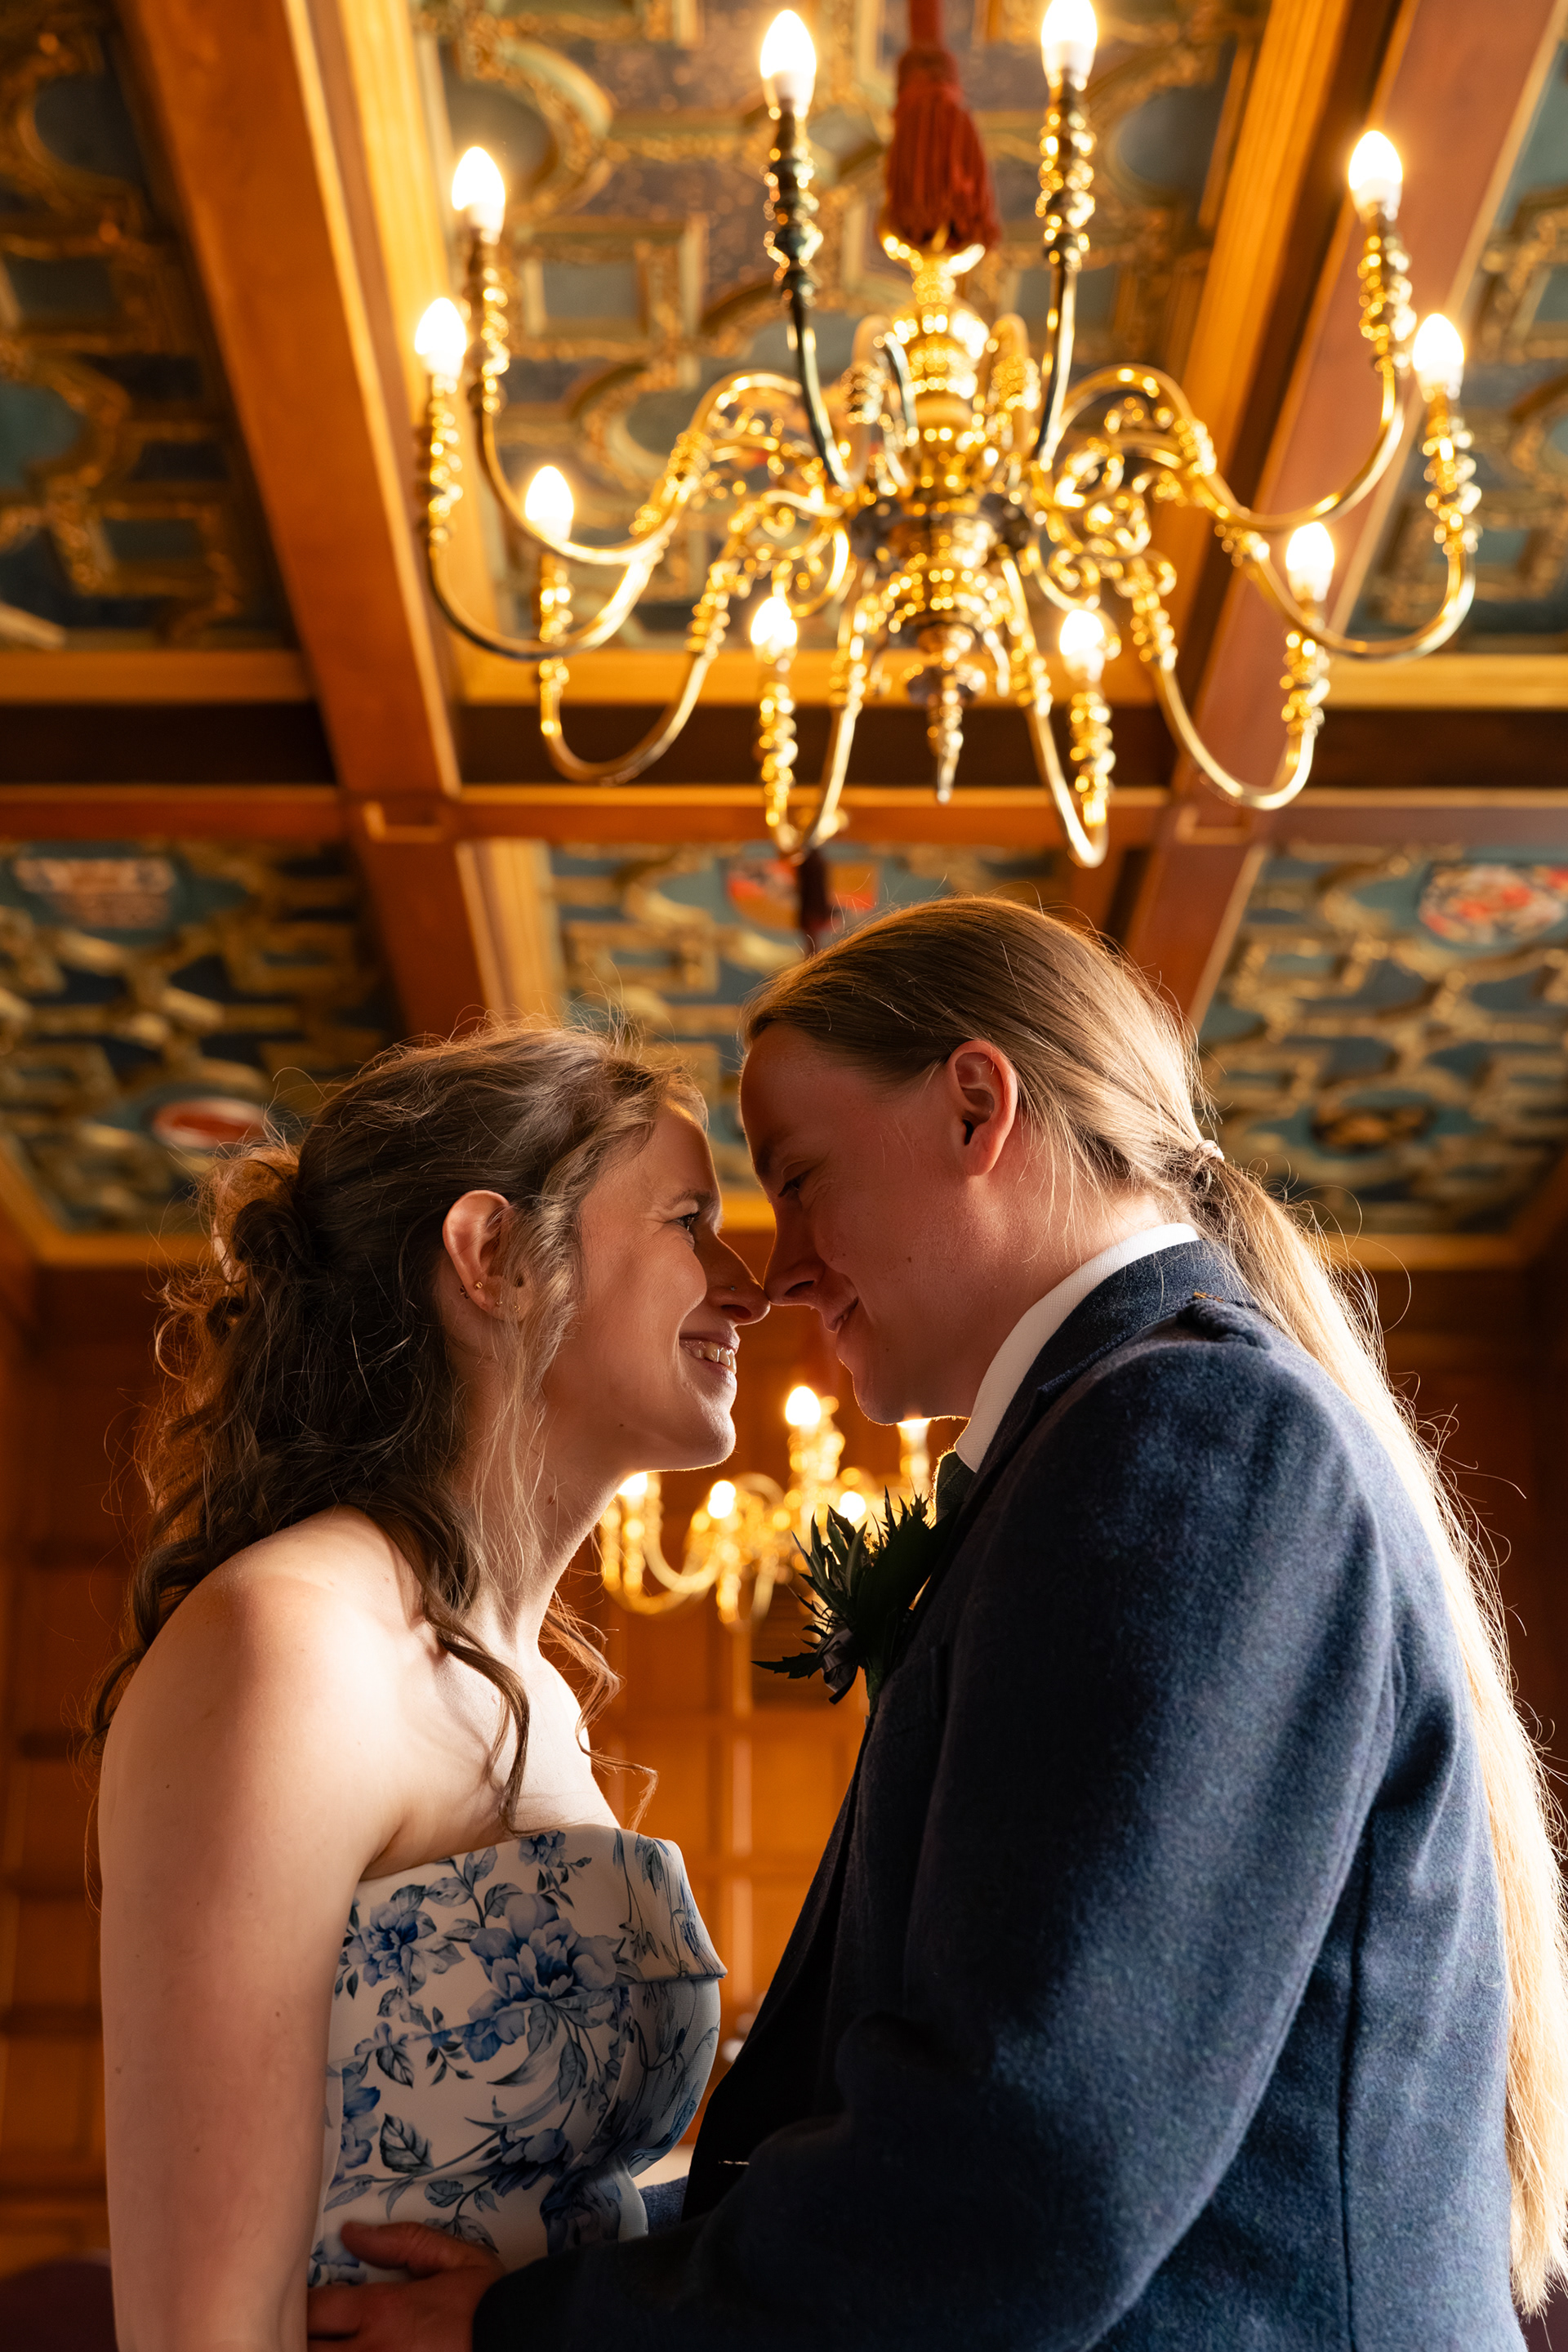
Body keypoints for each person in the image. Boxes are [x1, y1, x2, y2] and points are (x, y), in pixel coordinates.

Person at [314, 897, 1568, 2350]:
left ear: (977, 1106)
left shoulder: (1185, 1437)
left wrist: (541, 2331)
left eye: (800, 1175)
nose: (778, 1270)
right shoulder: (1128, 1432)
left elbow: (1032, 2163)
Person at [92, 1027, 768, 2352]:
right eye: (692, 1220)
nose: (750, 1288)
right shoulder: (287, 1643)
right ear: (494, 1257)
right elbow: (201, 2329)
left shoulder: (536, 1692)